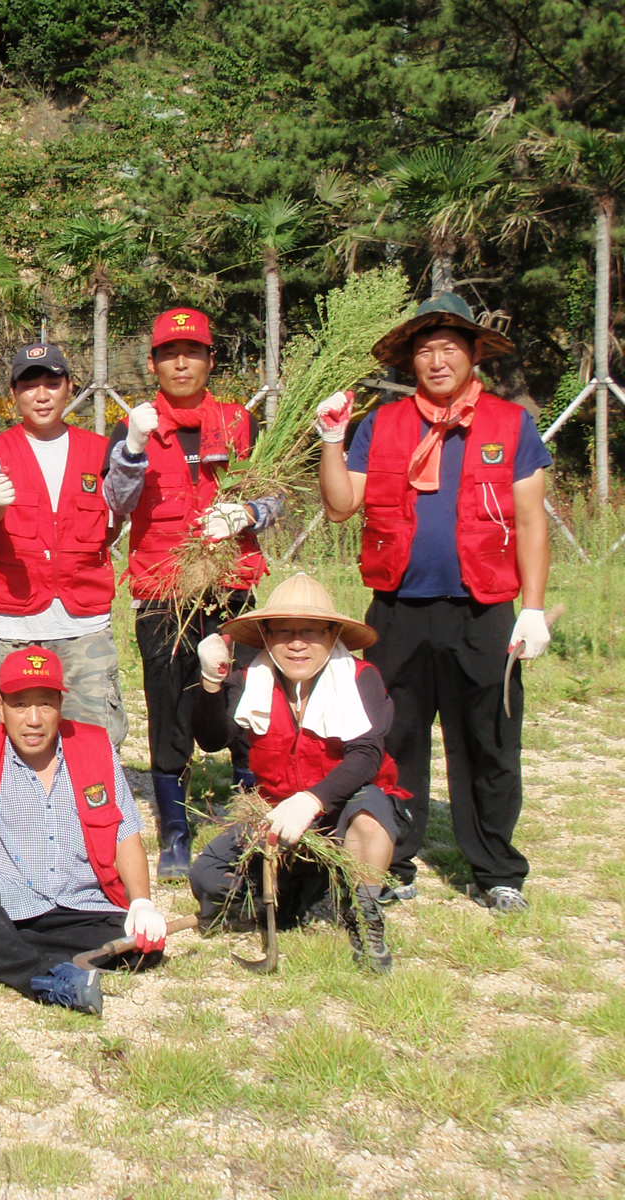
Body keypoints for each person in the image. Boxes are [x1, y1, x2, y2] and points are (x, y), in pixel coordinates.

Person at [316, 293, 551, 912]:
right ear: (409, 361)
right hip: (398, 610)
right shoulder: (385, 425)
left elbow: (531, 523)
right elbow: (342, 506)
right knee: (396, 740)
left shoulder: (509, 424)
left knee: (489, 738)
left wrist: (532, 607)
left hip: (484, 609)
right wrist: (332, 440)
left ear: (474, 354)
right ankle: (396, 859)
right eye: (425, 350)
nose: (437, 359)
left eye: (450, 347)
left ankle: (496, 868)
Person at [113, 307, 283, 878]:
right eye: (168, 353)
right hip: (163, 592)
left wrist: (251, 511)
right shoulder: (134, 424)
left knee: (243, 707)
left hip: (229, 591)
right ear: (154, 363)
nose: (180, 362)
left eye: (192, 352)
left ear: (211, 360)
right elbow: (115, 504)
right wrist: (133, 449)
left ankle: (250, 818)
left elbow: (278, 496)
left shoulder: (240, 422)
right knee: (169, 712)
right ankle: (176, 834)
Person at [0, 647, 170, 1015]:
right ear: (1, 705)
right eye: (21, 705)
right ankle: (45, 979)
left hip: (78, 904)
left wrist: (141, 901)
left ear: (60, 704)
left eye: (45, 704)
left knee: (145, 948)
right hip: (5, 903)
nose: (34, 719)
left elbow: (125, 832)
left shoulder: (94, 748)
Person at [189, 574, 408, 972]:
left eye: (310, 632)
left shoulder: (361, 680)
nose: (296, 644)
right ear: (266, 637)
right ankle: (297, 892)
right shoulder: (249, 681)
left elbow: (366, 758)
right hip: (276, 807)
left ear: (332, 634)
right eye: (284, 632)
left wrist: (311, 800)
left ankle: (365, 918)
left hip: (342, 803)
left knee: (369, 821)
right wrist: (210, 682)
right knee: (208, 878)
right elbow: (210, 740)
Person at [0, 342, 152, 741]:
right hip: (14, 622)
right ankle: (11, 806)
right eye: (29, 385)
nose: (41, 394)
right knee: (6, 739)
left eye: (52, 383)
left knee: (95, 737)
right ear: (14, 393)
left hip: (83, 622)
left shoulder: (100, 450)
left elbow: (122, 504)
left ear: (69, 387)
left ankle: (91, 804)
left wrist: (134, 450)